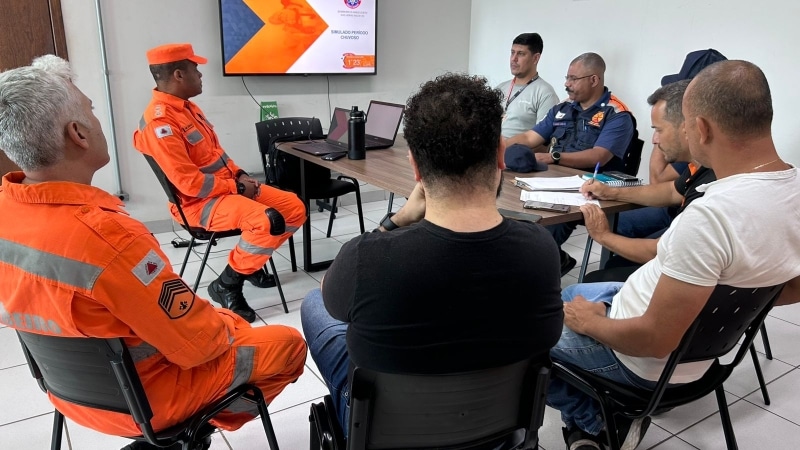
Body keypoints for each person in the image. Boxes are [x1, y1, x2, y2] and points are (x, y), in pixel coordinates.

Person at [0, 56, 307, 450]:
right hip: (146, 403)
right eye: (91, 110)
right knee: (287, 345)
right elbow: (201, 344)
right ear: (77, 133)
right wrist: (230, 323)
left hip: (66, 393)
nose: (98, 119)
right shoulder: (109, 238)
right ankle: (187, 437)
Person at [548, 60, 800, 450]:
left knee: (514, 335)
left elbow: (654, 339)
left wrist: (593, 323)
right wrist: (716, 305)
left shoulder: (711, 216)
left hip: (640, 358)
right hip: (700, 348)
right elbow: (790, 289)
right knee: (564, 298)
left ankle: (596, 424)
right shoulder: (792, 190)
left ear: (700, 128)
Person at [300, 73, 564, 434]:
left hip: (385, 431)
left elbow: (335, 300)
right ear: (501, 156)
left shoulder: (367, 259)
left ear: (414, 167)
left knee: (316, 303)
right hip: (499, 423)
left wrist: (394, 222)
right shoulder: (542, 249)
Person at [133, 43, 305, 323]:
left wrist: (239, 175)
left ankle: (249, 266)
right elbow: (189, 184)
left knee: (293, 207)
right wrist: (237, 189)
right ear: (178, 74)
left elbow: (217, 154)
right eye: (195, 69)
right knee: (266, 220)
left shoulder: (188, 109)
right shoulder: (160, 122)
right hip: (197, 204)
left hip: (225, 190)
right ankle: (227, 284)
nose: (200, 74)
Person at [506, 52, 636, 275]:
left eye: (573, 79)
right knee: (512, 211)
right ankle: (550, 262)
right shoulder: (563, 109)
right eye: (567, 78)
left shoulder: (616, 114)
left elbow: (599, 156)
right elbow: (530, 138)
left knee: (542, 227)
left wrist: (554, 157)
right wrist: (500, 146)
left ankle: (538, 273)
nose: (566, 84)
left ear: (594, 80)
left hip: (588, 190)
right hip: (550, 182)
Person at [580, 80, 716, 279]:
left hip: (678, 273)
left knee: (593, 280)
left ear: (689, 127)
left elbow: (660, 251)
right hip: (676, 257)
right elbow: (671, 191)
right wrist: (611, 191)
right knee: (615, 264)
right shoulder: (702, 164)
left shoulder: (712, 186)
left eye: (659, 130)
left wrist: (602, 235)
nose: (654, 139)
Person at [614, 49, 727, 241]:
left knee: (616, 237)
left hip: (682, 217)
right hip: (676, 207)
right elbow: (673, 190)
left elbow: (657, 179)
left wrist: (666, 127)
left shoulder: (703, 146)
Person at [496, 33, 559, 172]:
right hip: (490, 157)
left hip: (515, 162)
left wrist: (506, 153)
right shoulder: (501, 88)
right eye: (512, 53)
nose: (514, 59)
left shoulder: (545, 93)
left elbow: (543, 143)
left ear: (535, 58)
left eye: (521, 54)